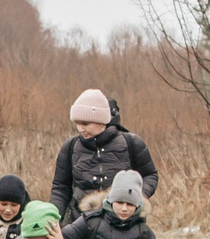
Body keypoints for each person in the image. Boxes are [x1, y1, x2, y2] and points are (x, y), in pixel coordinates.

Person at [51, 89, 160, 219]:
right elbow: (60, 188)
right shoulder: (70, 147)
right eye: (77, 123)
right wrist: (53, 218)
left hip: (123, 223)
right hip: (81, 223)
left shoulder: (132, 143)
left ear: (102, 121)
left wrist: (135, 197)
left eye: (85, 124)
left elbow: (150, 175)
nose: (80, 129)